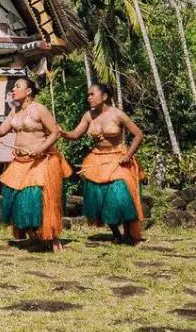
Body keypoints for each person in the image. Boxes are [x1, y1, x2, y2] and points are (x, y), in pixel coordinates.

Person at [0, 77, 70, 252]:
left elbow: (55, 132)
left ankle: (52, 237)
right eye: (13, 86)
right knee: (17, 199)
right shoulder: (14, 112)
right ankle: (35, 236)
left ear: (28, 91)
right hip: (20, 162)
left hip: (40, 162)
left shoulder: (39, 109)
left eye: (17, 86)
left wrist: (41, 148)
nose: (13, 89)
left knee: (38, 199)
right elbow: (1, 131)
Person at [62, 83, 144, 244]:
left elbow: (138, 134)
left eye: (92, 94)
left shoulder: (117, 114)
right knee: (100, 197)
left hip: (118, 158)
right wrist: (63, 132)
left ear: (104, 96)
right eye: (88, 95)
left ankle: (129, 234)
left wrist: (128, 155)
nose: (89, 98)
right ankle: (116, 233)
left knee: (120, 195)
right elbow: (76, 134)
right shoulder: (88, 116)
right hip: (97, 159)